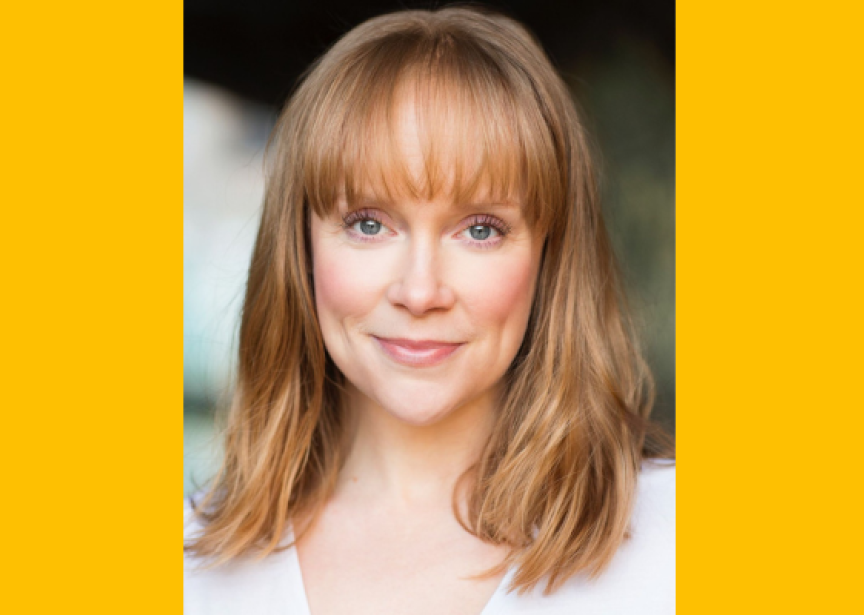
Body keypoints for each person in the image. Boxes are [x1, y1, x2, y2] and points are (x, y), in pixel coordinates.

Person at [184, 6, 675, 614]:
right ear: (300, 249)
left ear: (551, 256)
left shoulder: (677, 546)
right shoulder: (187, 570)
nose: (420, 292)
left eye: (479, 230)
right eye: (368, 223)